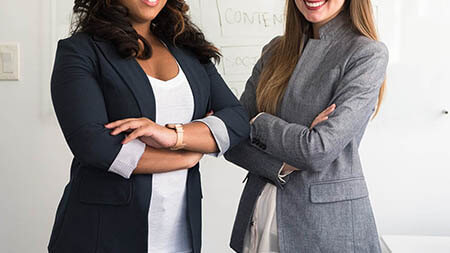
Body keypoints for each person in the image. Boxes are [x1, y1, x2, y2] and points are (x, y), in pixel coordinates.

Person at [47, 0, 249, 252]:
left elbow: (237, 120)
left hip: (179, 235)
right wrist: (185, 157)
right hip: (102, 235)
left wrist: (173, 137)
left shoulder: (187, 48)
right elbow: (94, 145)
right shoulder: (80, 51)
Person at [224, 0, 389, 252]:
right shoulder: (274, 51)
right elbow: (231, 138)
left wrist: (258, 121)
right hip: (258, 214)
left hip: (325, 227)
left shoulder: (366, 53)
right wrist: (281, 165)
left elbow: (317, 149)